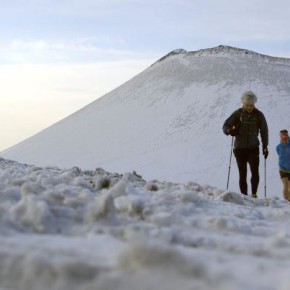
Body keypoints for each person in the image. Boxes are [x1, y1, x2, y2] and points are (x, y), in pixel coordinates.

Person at [222, 91, 269, 198]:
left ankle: (253, 195)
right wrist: (229, 131)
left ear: (254, 103)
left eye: (251, 105)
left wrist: (265, 146)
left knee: (255, 172)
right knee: (242, 173)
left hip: (253, 148)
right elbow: (225, 126)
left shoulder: (259, 115)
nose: (249, 107)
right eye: (247, 105)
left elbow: (264, 131)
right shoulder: (237, 113)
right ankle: (244, 196)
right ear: (243, 103)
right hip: (239, 149)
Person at [276, 129, 290, 201]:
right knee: (285, 184)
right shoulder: (279, 147)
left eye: (286, 136)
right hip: (283, 169)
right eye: (283, 136)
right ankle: (286, 201)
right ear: (281, 137)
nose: (284, 138)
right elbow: (279, 154)